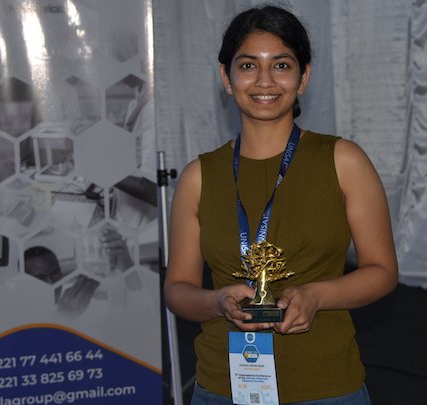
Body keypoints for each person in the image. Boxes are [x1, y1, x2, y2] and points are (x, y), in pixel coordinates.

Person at [164, 5, 398, 404]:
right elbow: (177, 289)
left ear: (303, 77)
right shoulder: (198, 176)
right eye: (249, 65)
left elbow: (382, 271)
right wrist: (216, 302)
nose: (265, 80)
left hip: (325, 385)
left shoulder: (344, 161)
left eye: (282, 65)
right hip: (223, 387)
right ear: (227, 77)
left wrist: (317, 296)